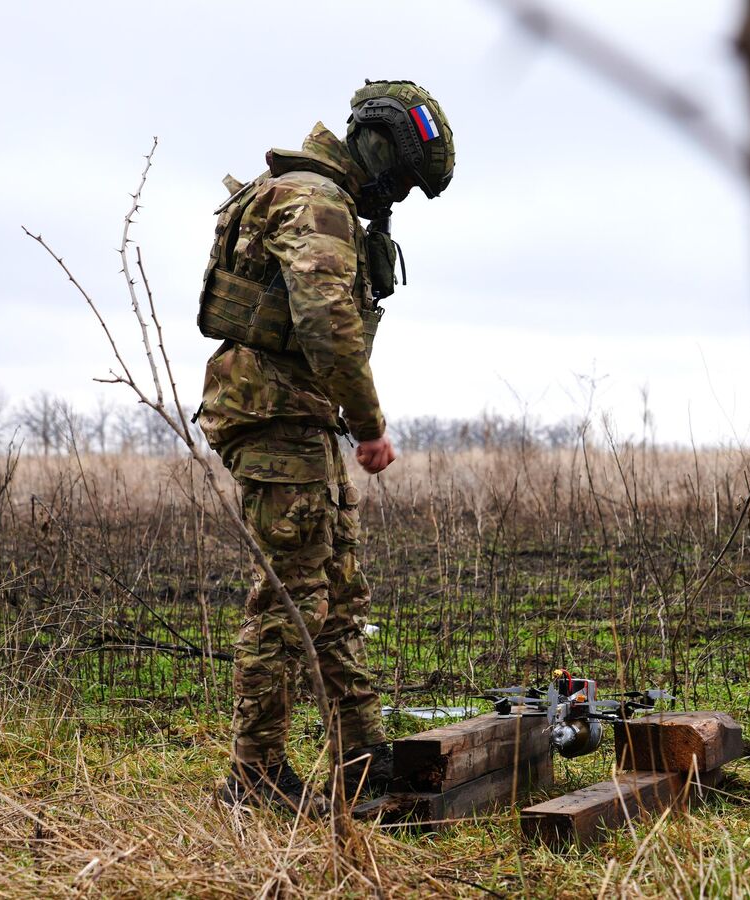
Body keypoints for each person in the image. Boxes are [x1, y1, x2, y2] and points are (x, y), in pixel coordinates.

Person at [196, 80, 455, 813]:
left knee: (337, 590)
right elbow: (324, 324)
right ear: (378, 148)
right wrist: (370, 424)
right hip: (275, 414)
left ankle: (361, 754)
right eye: (401, 178)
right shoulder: (315, 201)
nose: (396, 196)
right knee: (290, 595)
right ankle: (252, 777)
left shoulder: (319, 197)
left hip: (299, 416)